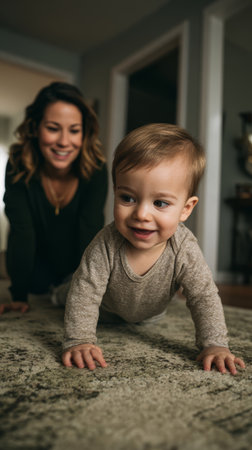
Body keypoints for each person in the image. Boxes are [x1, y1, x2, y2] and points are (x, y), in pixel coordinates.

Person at [62, 123, 245, 374]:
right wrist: (79, 339)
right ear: (115, 193)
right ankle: (57, 289)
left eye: (159, 203)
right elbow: (85, 291)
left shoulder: (183, 248)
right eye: (128, 198)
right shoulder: (106, 243)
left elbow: (203, 296)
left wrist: (215, 345)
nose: (141, 214)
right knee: (69, 291)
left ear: (186, 209)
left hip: (149, 315)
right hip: (105, 310)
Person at [0, 81, 108, 314]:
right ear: (35, 127)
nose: (64, 141)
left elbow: (90, 229)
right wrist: (18, 295)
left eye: (74, 130)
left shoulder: (97, 168)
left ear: (84, 132)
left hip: (75, 266)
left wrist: (88, 292)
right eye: (53, 128)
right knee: (37, 288)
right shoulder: (17, 165)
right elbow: (21, 231)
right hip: (35, 270)